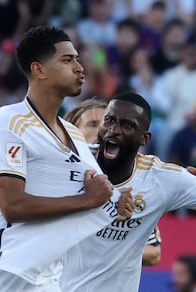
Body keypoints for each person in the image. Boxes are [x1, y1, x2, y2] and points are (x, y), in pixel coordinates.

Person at [0, 25, 131, 292]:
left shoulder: (75, 135)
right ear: (39, 70)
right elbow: (13, 205)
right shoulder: (9, 122)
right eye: (67, 60)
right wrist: (89, 199)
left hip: (43, 283)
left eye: (78, 59)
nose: (80, 68)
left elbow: (100, 196)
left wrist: (119, 203)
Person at [60, 92, 196, 292]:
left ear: (144, 138)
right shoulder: (71, 164)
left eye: (127, 125)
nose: (113, 130)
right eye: (109, 121)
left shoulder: (163, 180)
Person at [64, 98, 161, 266]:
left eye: (105, 123)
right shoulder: (60, 176)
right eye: (93, 124)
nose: (107, 131)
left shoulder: (132, 185)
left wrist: (113, 238)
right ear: (73, 132)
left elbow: (153, 253)